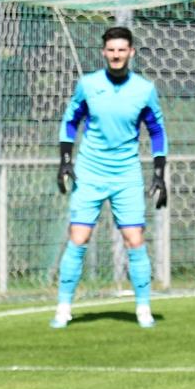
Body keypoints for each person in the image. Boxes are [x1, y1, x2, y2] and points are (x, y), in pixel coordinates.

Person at [53, 26, 168, 329]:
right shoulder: (88, 85)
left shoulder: (144, 89)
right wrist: (65, 160)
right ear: (104, 52)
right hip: (90, 172)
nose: (116, 55)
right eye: (111, 50)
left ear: (131, 52)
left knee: (135, 240)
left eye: (122, 50)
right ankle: (63, 308)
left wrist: (159, 173)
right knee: (78, 237)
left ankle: (143, 309)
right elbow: (70, 121)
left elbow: (157, 131)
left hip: (126, 175)